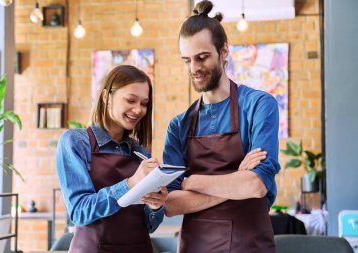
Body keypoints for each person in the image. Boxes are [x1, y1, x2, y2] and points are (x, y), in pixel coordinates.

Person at [163, 0, 281, 252]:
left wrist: (192, 182)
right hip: (195, 246)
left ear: (224, 51)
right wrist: (237, 177)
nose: (194, 68)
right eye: (187, 60)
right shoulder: (178, 126)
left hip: (248, 245)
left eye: (202, 57)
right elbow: (171, 203)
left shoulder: (259, 105)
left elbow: (255, 185)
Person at [56, 65, 168, 253]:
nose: (138, 109)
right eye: (131, 100)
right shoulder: (75, 142)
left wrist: (156, 207)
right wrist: (131, 183)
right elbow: (79, 211)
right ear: (107, 97)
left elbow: (150, 226)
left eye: (144, 103)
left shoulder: (140, 152)